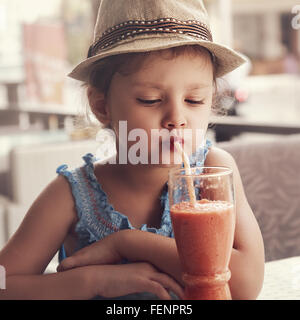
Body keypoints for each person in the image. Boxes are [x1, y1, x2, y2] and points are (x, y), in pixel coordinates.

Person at [0, 0, 264, 300]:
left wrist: (128, 243)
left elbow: (245, 286)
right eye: (150, 100)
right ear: (102, 106)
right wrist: (94, 281)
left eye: (194, 100)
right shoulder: (73, 195)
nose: (177, 118)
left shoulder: (212, 174)